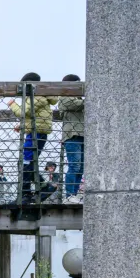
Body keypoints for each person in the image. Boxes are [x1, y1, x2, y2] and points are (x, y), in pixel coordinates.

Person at [9, 72, 59, 204]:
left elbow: (24, 112)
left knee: (26, 162)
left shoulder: (37, 96)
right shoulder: (39, 97)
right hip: (36, 132)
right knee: (29, 161)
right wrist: (22, 126)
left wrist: (12, 104)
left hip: (36, 133)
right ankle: (42, 187)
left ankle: (27, 194)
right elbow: (34, 117)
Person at [59, 74, 85, 204]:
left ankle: (74, 194)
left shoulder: (78, 98)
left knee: (80, 167)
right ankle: (69, 195)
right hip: (72, 135)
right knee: (74, 166)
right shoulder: (64, 97)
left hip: (82, 135)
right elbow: (74, 104)